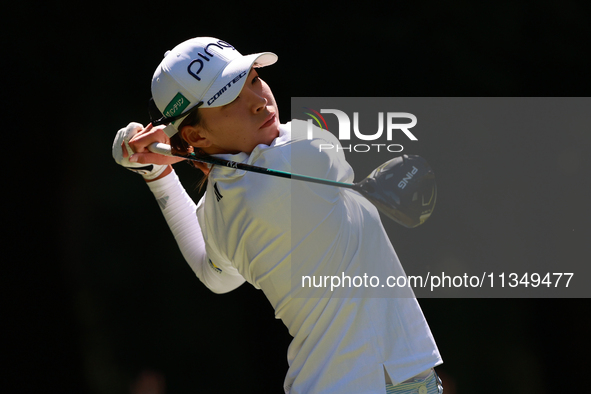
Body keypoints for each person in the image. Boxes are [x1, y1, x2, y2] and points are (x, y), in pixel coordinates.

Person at [112, 37, 443, 394]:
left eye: (252, 79)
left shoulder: (216, 209)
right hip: (380, 382)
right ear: (197, 132)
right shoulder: (303, 151)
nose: (258, 102)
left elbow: (215, 277)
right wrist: (174, 149)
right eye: (229, 99)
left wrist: (158, 172)